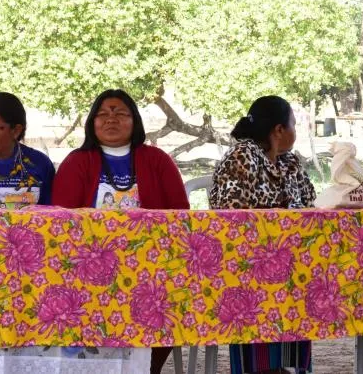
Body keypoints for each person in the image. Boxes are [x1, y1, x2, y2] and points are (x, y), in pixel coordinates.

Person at [52, 89, 189, 374]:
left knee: (171, 298)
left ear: (135, 122)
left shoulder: (158, 160)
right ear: (92, 122)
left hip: (150, 266)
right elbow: (60, 223)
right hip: (88, 267)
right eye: (102, 114)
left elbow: (180, 216)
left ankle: (148, 368)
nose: (110, 119)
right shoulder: (77, 161)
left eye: (120, 113)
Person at [209, 95, 314, 374]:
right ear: (279, 130)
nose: (295, 131)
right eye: (293, 124)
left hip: (291, 266)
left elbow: (309, 205)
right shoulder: (243, 154)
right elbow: (229, 213)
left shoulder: (289, 162)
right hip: (246, 269)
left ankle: (293, 369)